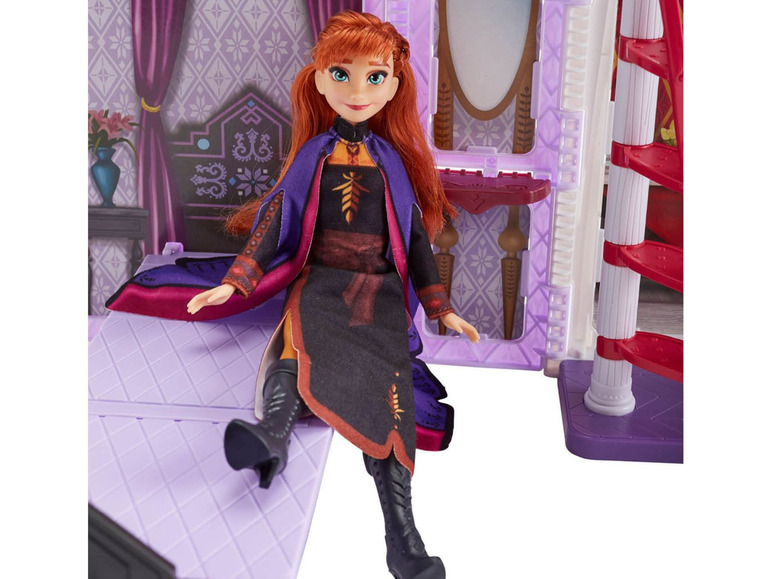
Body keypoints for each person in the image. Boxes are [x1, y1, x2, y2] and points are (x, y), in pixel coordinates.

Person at [109, 11, 478, 579]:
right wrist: (235, 280)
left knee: (389, 400)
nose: (358, 90)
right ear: (320, 79)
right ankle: (272, 438)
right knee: (294, 347)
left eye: (375, 77)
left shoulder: (393, 164)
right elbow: (275, 221)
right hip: (319, 281)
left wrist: (440, 307)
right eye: (342, 74)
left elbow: (414, 241)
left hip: (377, 291)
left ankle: (402, 538)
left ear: (394, 86)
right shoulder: (313, 155)